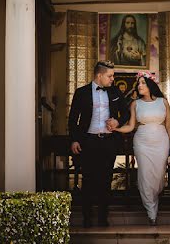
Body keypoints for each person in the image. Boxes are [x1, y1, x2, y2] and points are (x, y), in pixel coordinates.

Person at [111, 71, 170, 226]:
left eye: (142, 83)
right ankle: (151, 212)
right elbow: (130, 126)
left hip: (161, 141)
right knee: (145, 175)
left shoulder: (163, 102)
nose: (139, 86)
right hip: (142, 142)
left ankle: (153, 201)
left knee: (158, 177)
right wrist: (115, 129)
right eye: (139, 83)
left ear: (150, 85)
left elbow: (169, 124)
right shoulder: (136, 104)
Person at [68, 60, 130, 227]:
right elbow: (73, 118)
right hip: (88, 142)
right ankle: (87, 218)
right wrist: (74, 139)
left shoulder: (116, 91)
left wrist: (117, 121)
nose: (112, 79)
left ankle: (103, 217)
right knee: (88, 180)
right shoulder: (81, 92)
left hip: (109, 142)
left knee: (106, 180)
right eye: (110, 76)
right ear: (99, 75)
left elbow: (126, 112)